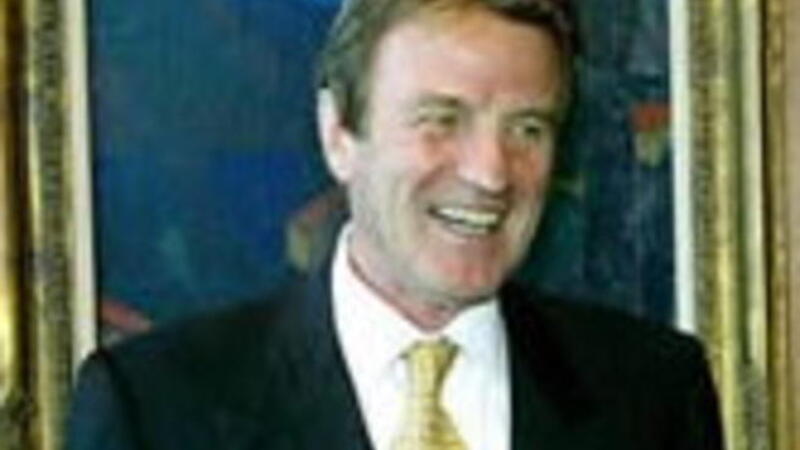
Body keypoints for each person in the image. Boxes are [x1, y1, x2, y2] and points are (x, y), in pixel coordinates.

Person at [67, 0, 724, 449]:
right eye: (441, 120)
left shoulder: (653, 395)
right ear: (339, 134)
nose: (491, 173)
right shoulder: (156, 409)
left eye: (527, 128)